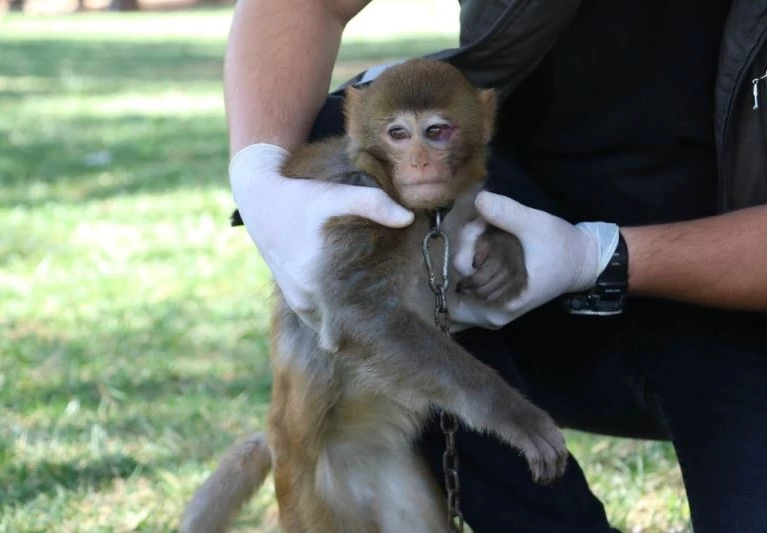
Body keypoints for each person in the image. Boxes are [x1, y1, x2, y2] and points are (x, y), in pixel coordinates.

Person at [224, 0, 767, 531]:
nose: (414, 156)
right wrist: (258, 173)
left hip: (732, 300)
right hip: (520, 277)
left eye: (435, 133)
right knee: (342, 148)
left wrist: (597, 257)